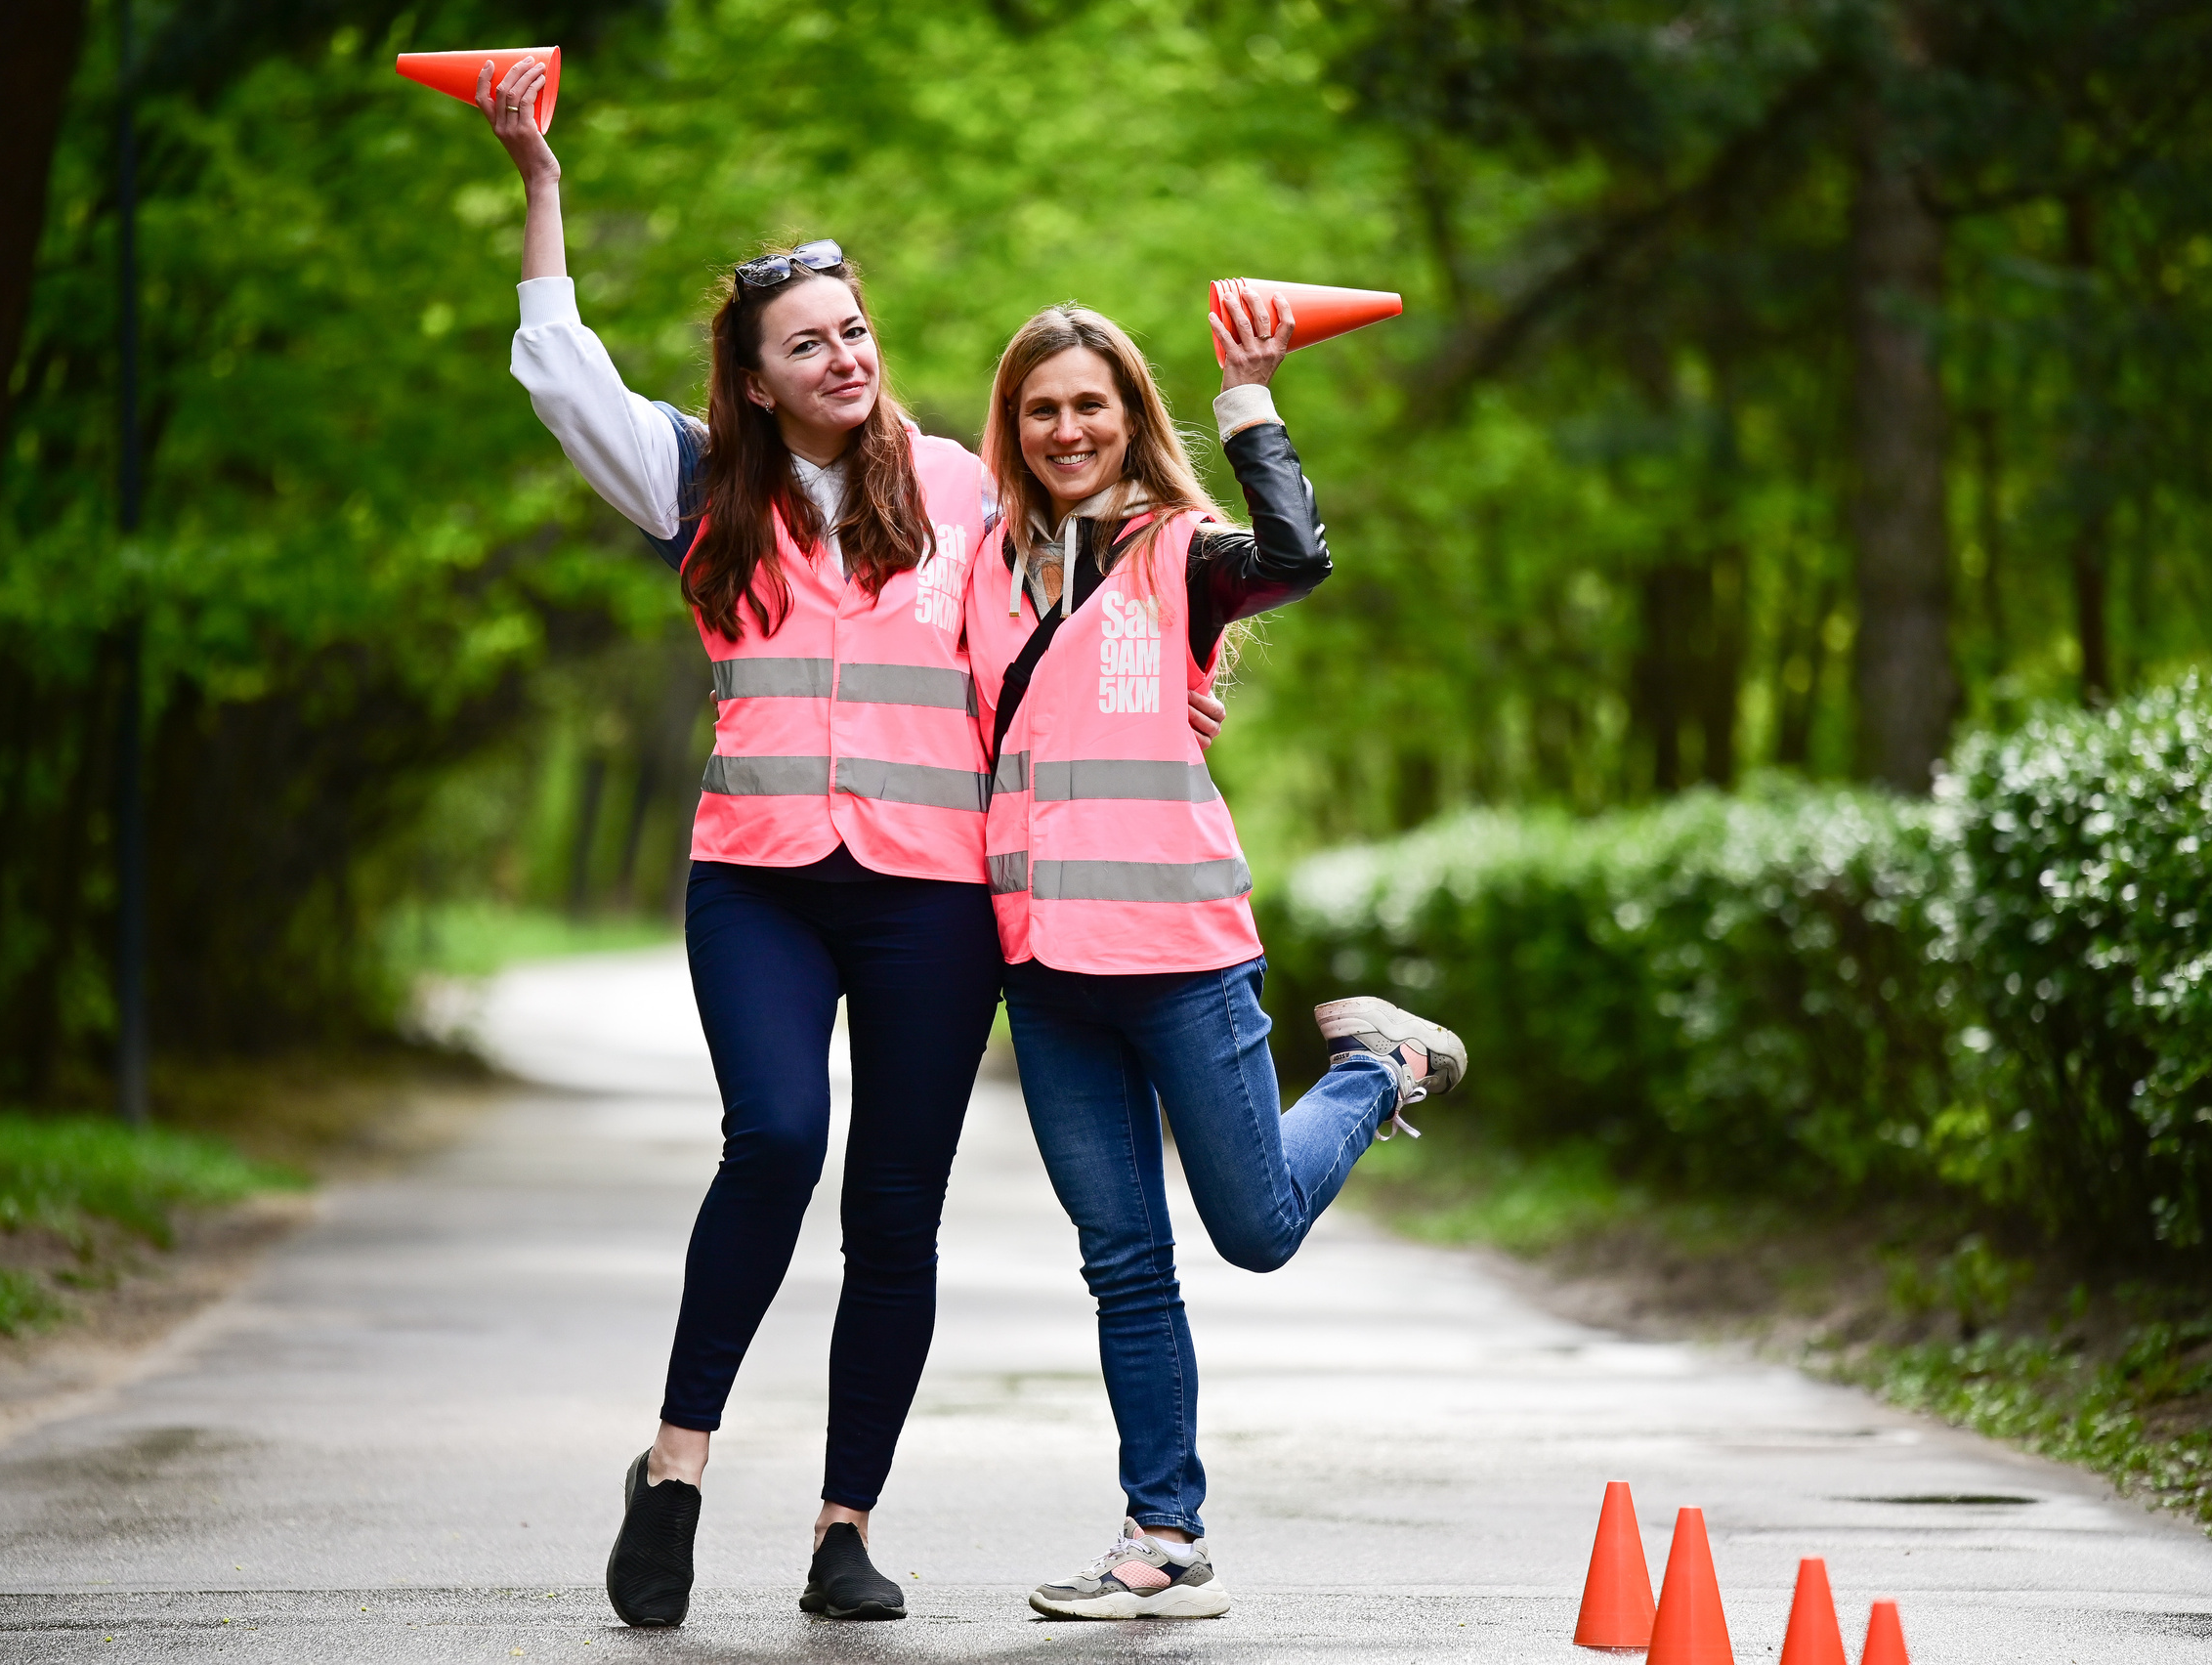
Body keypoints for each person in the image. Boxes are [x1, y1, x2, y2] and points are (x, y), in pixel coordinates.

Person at [472, 57, 1225, 1629]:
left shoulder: (962, 487)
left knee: (895, 1205)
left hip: (931, 894)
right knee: (775, 1140)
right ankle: (675, 1473)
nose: (847, 356)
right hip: (758, 875)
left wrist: (1172, 703)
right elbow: (560, 376)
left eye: (858, 332)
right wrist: (542, 187)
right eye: (809, 344)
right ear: (754, 378)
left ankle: (841, 1528)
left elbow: (1109, 590)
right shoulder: (695, 482)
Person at [964, 288, 1468, 1620]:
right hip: (1050, 976)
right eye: (1042, 407)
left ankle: (1377, 1067)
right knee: (1123, 1261)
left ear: (1132, 417)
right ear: (1012, 429)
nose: (1068, 425)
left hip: (1183, 956)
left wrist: (1249, 398)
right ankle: (1165, 1541)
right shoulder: (978, 567)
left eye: (1092, 402)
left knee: (1251, 1231)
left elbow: (1298, 559)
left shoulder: (1180, 554)